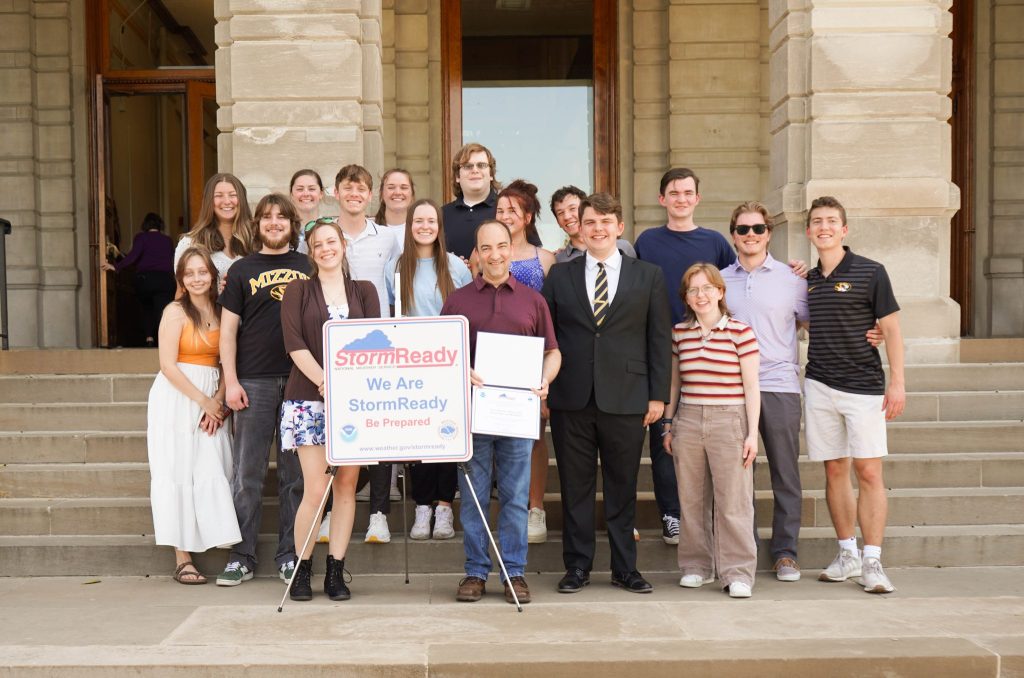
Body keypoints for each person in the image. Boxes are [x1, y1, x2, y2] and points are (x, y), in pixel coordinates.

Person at [541, 193, 671, 595]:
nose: (597, 228)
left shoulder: (647, 275)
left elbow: (659, 338)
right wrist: (542, 388)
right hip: (571, 396)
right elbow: (548, 339)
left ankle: (624, 568)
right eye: (590, 221)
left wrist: (658, 396)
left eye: (605, 221)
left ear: (620, 226)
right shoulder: (560, 277)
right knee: (575, 488)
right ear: (579, 227)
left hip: (628, 396)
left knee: (622, 486)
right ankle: (577, 567)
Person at [441, 219, 561, 605]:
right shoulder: (458, 300)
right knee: (474, 496)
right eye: (486, 248)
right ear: (476, 253)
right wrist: (461, 369)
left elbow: (552, 352)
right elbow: (443, 354)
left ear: (511, 249)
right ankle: (475, 572)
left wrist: (545, 380)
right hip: (473, 416)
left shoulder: (533, 300)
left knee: (514, 497)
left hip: (518, 416)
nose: (494, 255)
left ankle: (514, 573)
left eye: (501, 246)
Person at [804, 196, 906, 594]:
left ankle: (872, 561)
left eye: (831, 221)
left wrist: (897, 381)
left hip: (863, 388)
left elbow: (892, 330)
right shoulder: (808, 279)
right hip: (819, 385)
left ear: (844, 229)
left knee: (868, 472)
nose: (824, 227)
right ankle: (846, 553)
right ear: (809, 231)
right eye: (817, 222)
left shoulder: (871, 271)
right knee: (833, 471)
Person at [280, 218, 380, 601]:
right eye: (318, 244)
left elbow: (376, 341)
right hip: (309, 397)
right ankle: (302, 568)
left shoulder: (364, 291)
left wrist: (346, 388)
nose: (325, 248)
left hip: (355, 402)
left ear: (342, 245)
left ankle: (336, 571)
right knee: (316, 487)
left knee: (346, 487)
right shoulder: (298, 291)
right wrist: (326, 381)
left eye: (331, 242)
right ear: (311, 251)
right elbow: (293, 342)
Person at [216, 193, 311, 587]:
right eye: (266, 217)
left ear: (293, 224)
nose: (274, 223)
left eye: (281, 218)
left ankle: (289, 555)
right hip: (252, 382)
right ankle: (243, 555)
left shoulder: (309, 265)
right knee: (247, 474)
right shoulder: (241, 269)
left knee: (295, 476)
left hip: (300, 382)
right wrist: (231, 381)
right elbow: (227, 331)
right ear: (256, 224)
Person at [663, 263, 761, 598]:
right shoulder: (680, 333)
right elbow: (675, 382)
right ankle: (696, 566)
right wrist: (668, 423)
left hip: (729, 419)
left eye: (707, 288)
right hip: (688, 420)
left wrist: (752, 434)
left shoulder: (740, 332)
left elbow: (752, 387)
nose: (700, 295)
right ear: (686, 298)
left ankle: (737, 572)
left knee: (733, 500)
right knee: (691, 499)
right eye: (693, 290)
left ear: (720, 292)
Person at [469, 179, 556, 543]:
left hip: (527, 370)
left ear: (527, 217)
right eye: (500, 210)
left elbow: (551, 334)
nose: (495, 254)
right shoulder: (475, 272)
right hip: (484, 379)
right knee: (483, 461)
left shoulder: (544, 259)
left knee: (529, 449)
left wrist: (545, 381)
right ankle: (477, 565)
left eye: (512, 211)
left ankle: (533, 512)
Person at [147, 246, 240, 585]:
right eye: (190, 273)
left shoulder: (222, 310)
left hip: (212, 393)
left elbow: (224, 361)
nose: (198, 278)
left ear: (213, 277)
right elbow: (167, 366)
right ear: (181, 280)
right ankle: (182, 556)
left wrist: (218, 401)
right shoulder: (175, 311)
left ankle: (218, 533)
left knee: (212, 464)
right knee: (177, 469)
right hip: (178, 396)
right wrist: (203, 400)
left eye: (203, 272)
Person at [385, 199, 472, 541]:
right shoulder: (396, 266)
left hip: (447, 364)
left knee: (446, 437)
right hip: (411, 366)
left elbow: (467, 315)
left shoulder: (455, 267)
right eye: (418, 220)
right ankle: (422, 507)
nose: (424, 226)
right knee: (419, 438)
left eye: (431, 221)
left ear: (439, 227)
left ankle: (444, 507)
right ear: (409, 226)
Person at [333, 164, 403, 542]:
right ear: (337, 192)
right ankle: (330, 512)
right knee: (338, 429)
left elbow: (399, 285)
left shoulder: (388, 238)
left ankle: (379, 513)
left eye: (361, 189)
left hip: (377, 342)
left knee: (379, 428)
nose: (354, 194)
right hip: (333, 343)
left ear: (370, 195)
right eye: (348, 188)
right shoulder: (323, 234)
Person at [442, 143, 543, 260]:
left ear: (491, 174)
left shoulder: (510, 209)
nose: (475, 170)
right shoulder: (441, 215)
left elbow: (534, 255)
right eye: (467, 166)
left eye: (481, 165)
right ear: (457, 176)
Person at [101, 212, 176, 347]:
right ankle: (165, 341)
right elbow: (172, 260)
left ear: (145, 225)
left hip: (145, 280)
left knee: (146, 308)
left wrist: (116, 266)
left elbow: (133, 256)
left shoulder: (141, 237)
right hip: (164, 280)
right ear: (160, 225)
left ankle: (149, 339)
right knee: (164, 311)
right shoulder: (167, 240)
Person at [175, 173, 253, 284]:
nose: (226, 201)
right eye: (219, 195)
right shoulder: (190, 243)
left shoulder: (256, 239)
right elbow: (181, 292)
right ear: (209, 201)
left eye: (232, 195)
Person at [550, 186, 635, 262]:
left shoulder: (624, 247)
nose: (567, 217)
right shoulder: (558, 260)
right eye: (560, 213)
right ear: (558, 221)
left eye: (572, 208)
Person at [289, 169, 326, 255]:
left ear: (321, 193)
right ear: (291, 195)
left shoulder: (332, 229)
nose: (306, 193)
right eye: (300, 189)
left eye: (311, 189)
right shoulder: (284, 231)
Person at [374, 168, 416, 236]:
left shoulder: (421, 229)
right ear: (381, 193)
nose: (397, 192)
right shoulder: (368, 228)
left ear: (412, 193)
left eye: (404, 188)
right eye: (391, 187)